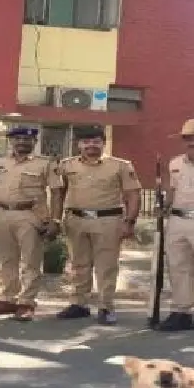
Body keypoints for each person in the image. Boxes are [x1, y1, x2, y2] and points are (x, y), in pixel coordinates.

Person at [55, 125, 141, 326]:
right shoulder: (67, 166)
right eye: (86, 142)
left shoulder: (120, 166)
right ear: (78, 145)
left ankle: (106, 306)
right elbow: (58, 194)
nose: (91, 146)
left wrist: (130, 222)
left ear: (103, 143)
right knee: (78, 265)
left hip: (108, 220)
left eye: (96, 142)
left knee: (106, 266)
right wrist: (57, 219)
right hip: (76, 220)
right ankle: (79, 304)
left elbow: (132, 195)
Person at [0, 127, 64, 321]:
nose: (22, 143)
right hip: (2, 213)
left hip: (31, 214)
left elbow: (57, 193)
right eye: (17, 139)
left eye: (27, 139)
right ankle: (8, 298)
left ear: (34, 142)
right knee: (7, 259)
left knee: (30, 261)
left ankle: (27, 302)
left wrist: (56, 220)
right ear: (11, 142)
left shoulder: (46, 164)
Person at [158, 119, 194, 332]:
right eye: (189, 139)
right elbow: (171, 191)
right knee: (179, 267)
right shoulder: (175, 163)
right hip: (178, 220)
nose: (193, 142)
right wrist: (163, 206)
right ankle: (182, 313)